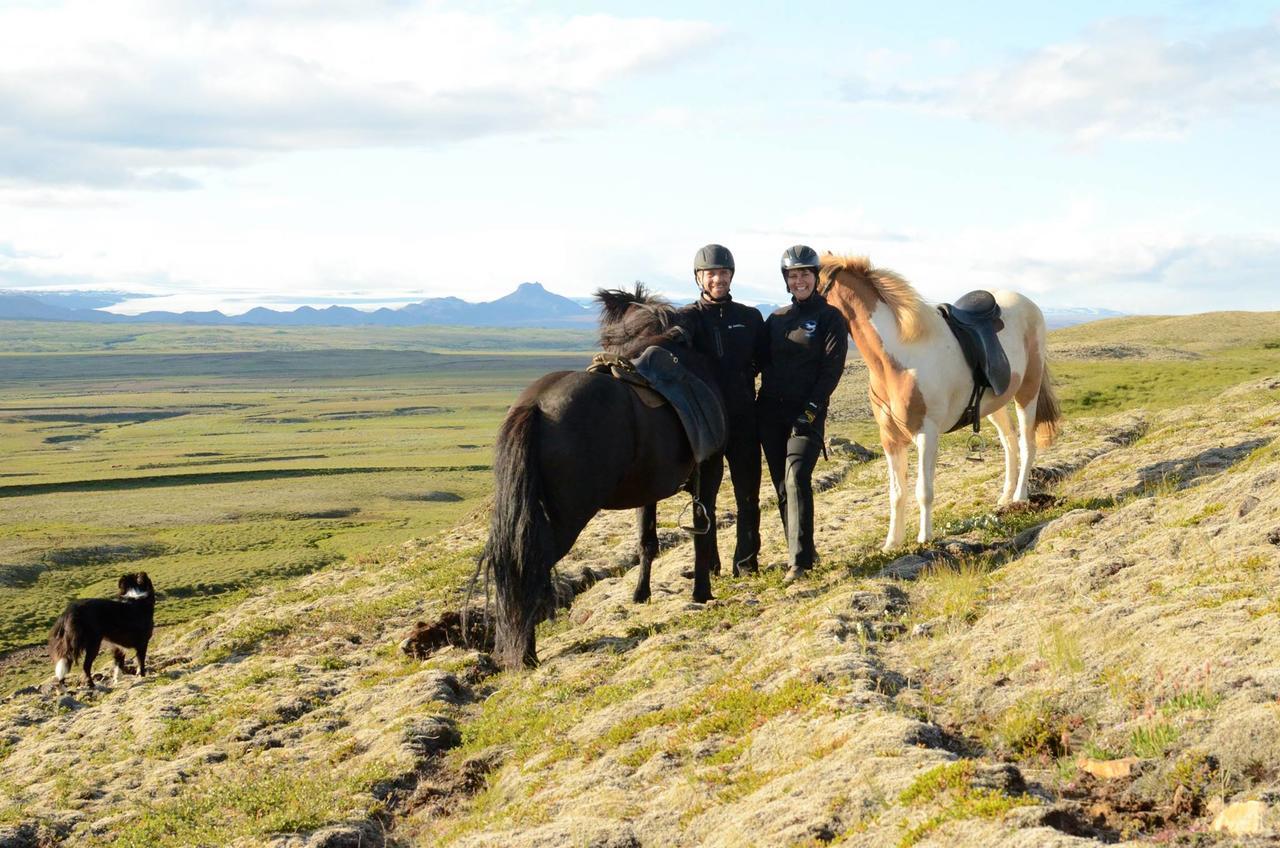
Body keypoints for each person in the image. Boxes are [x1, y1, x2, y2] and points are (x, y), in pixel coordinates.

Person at [669, 243, 766, 576]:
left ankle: (747, 562)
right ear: (700, 277)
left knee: (748, 496)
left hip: (743, 419)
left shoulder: (750, 318)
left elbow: (764, 360)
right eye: (711, 273)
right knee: (703, 498)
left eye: (723, 273)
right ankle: (707, 566)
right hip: (707, 423)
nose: (718, 279)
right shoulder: (688, 318)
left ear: (731, 275)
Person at [757, 245, 848, 583]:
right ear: (786, 280)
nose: (799, 281)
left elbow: (831, 370)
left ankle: (800, 565)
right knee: (782, 485)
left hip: (806, 414)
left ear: (815, 277)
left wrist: (811, 409)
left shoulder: (830, 318)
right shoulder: (776, 319)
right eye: (793, 275)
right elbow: (758, 361)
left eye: (804, 274)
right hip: (769, 412)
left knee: (797, 477)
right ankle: (802, 548)